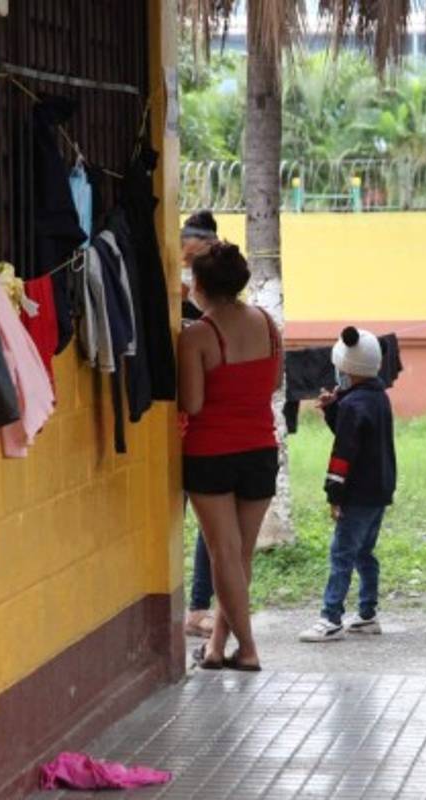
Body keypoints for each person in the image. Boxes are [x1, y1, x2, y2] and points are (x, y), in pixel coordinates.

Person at [179, 241, 281, 671]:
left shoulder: (198, 334)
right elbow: (272, 384)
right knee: (238, 557)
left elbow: (193, 403)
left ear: (198, 285)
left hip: (211, 452)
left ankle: (250, 648)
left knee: (223, 552)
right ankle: (218, 648)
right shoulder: (268, 324)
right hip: (260, 448)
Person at [299, 327, 397, 643]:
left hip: (356, 492)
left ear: (346, 368)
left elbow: (344, 450)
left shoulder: (354, 405)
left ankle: (331, 618)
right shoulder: (377, 398)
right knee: (364, 553)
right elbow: (354, 433)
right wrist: (333, 409)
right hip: (378, 490)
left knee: (341, 553)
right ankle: (367, 614)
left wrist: (334, 493)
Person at [179, 211, 219, 638]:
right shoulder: (170, 298)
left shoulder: (218, 312)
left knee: (210, 526)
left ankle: (197, 606)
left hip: (207, 428)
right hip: (172, 426)